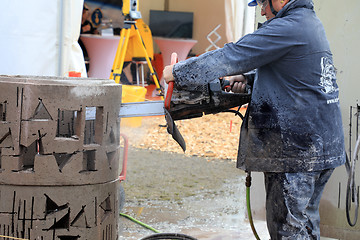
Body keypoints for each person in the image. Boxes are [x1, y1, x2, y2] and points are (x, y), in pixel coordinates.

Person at [163, 0, 345, 239]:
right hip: (322, 146)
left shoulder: (288, 26)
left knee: (288, 232)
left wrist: (178, 72)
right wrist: (248, 78)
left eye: (262, 3)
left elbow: (233, 54)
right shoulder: (308, 23)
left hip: (297, 150)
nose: (261, 10)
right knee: (305, 227)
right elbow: (292, 73)